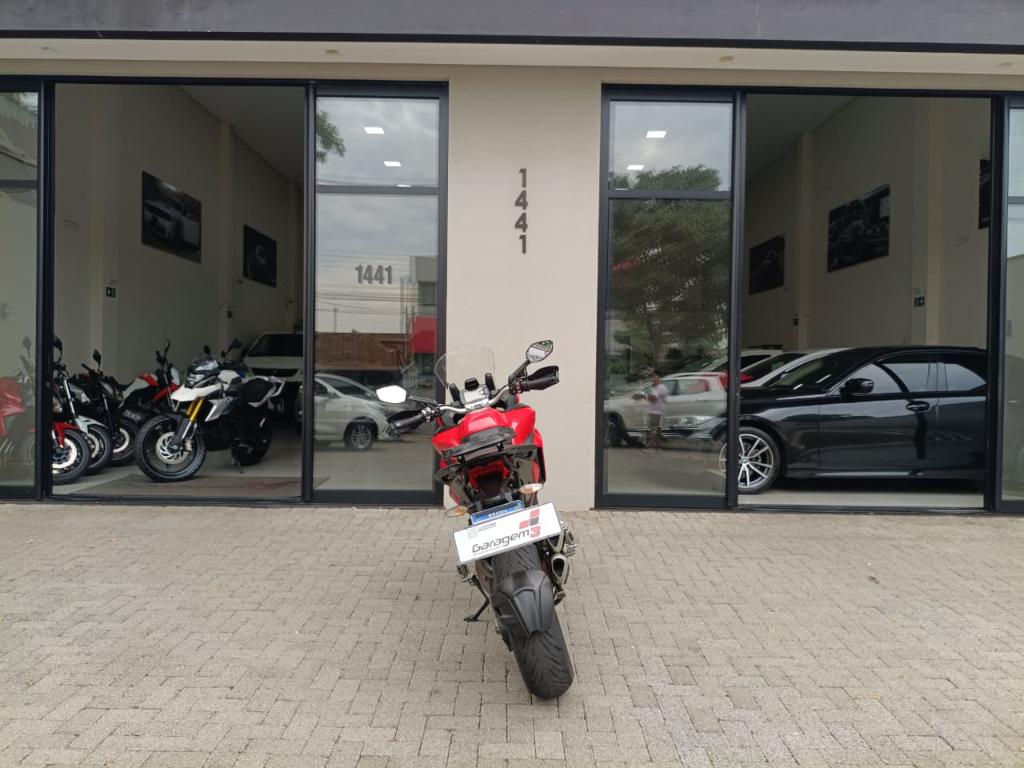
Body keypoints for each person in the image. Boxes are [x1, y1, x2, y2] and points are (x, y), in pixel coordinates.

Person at [644, 373, 669, 451]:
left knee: (653, 428)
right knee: (655, 428)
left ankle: (651, 444)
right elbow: (651, 398)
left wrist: (645, 396)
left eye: (654, 379)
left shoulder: (661, 387)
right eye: (652, 379)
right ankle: (658, 444)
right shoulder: (654, 388)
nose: (653, 380)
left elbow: (653, 398)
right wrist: (648, 396)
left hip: (657, 411)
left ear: (658, 380)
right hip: (652, 410)